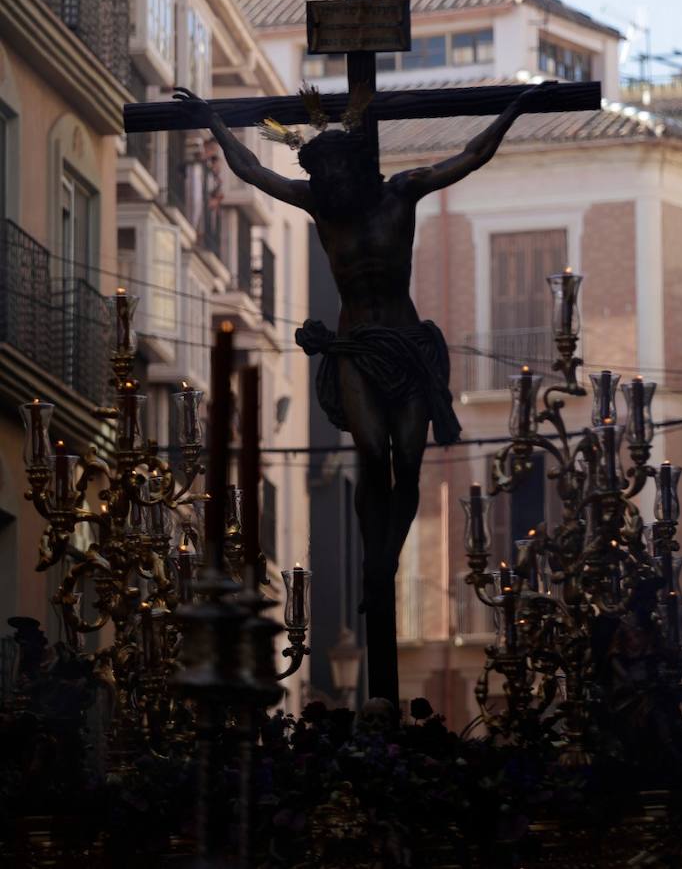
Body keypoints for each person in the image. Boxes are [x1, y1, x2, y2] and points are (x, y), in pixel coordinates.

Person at [172, 82, 554, 695]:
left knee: (408, 462)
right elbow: (248, 168)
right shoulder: (319, 205)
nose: (325, 182)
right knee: (371, 457)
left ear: (354, 166)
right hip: (353, 350)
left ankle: (383, 561)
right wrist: (212, 120)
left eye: (332, 170)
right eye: (316, 173)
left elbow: (472, 155)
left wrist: (516, 108)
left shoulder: (400, 194)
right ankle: (376, 567)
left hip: (405, 348)